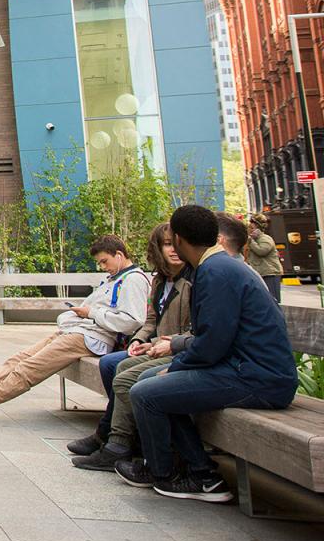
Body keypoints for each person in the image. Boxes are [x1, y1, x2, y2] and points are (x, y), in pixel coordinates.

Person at [115, 205, 297, 501]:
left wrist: (176, 367)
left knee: (147, 392)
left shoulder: (216, 272)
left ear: (178, 239)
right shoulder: (217, 266)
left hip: (258, 378)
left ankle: (170, 474)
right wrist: (177, 356)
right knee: (149, 380)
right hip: (243, 368)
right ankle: (201, 472)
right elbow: (211, 337)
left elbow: (212, 343)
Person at [0, 235, 149, 418]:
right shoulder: (113, 279)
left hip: (92, 339)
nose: (103, 267)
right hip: (76, 331)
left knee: (29, 369)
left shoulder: (133, 280)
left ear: (119, 255)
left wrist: (90, 313)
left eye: (104, 261)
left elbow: (133, 320)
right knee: (18, 359)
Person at [69, 223, 193, 470]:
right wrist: (139, 339)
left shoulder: (192, 280)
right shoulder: (160, 281)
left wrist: (157, 343)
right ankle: (114, 435)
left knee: (124, 372)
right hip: (158, 345)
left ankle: (116, 441)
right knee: (109, 364)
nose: (174, 249)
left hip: (177, 349)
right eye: (167, 244)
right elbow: (149, 321)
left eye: (177, 243)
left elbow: (192, 331)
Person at [246, 213, 283, 303]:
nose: (250, 230)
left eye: (253, 228)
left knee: (273, 300)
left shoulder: (265, 239)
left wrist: (251, 241)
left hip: (270, 273)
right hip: (261, 273)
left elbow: (262, 251)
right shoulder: (255, 240)